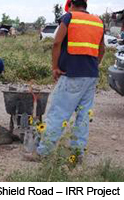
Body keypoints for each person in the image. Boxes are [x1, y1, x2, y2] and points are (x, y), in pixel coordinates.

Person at [29, 0, 105, 161]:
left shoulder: (69, 17)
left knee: (58, 113)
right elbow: (102, 49)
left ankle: (44, 152)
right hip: (91, 75)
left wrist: (55, 67)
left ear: (70, 5)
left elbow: (57, 42)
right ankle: (77, 154)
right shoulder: (98, 21)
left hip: (72, 74)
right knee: (83, 116)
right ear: (85, 5)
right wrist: (92, 66)